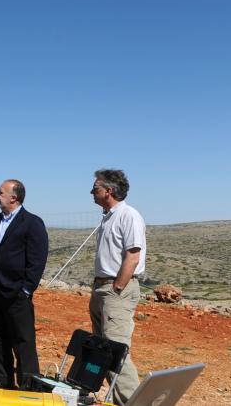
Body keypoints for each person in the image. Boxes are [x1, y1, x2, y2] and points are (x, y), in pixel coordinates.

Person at [0, 179, 48, 390]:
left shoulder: (32, 222)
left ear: (14, 197)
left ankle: (29, 386)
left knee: (23, 341)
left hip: (17, 293)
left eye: (0, 192)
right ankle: (2, 380)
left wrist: (26, 289)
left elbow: (37, 260)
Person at [90, 169, 146, 405]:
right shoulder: (109, 216)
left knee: (114, 352)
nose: (92, 191)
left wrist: (116, 288)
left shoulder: (128, 215)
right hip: (102, 288)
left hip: (115, 291)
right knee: (104, 351)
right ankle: (117, 399)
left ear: (108, 191)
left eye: (96, 188)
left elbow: (133, 256)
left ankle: (135, 401)